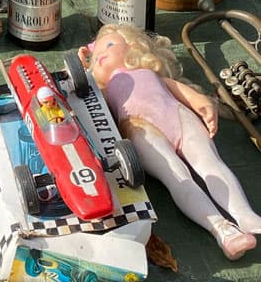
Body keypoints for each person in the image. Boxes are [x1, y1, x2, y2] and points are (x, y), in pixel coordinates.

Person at [80, 24, 261, 261]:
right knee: (177, 177)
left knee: (212, 164)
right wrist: (84, 67)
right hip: (140, 129)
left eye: (110, 45)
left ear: (133, 46)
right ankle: (222, 229)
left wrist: (201, 103)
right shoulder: (107, 93)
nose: (101, 55)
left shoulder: (153, 75)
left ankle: (245, 215)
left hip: (179, 116)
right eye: (96, 58)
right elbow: (92, 107)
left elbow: (184, 93)